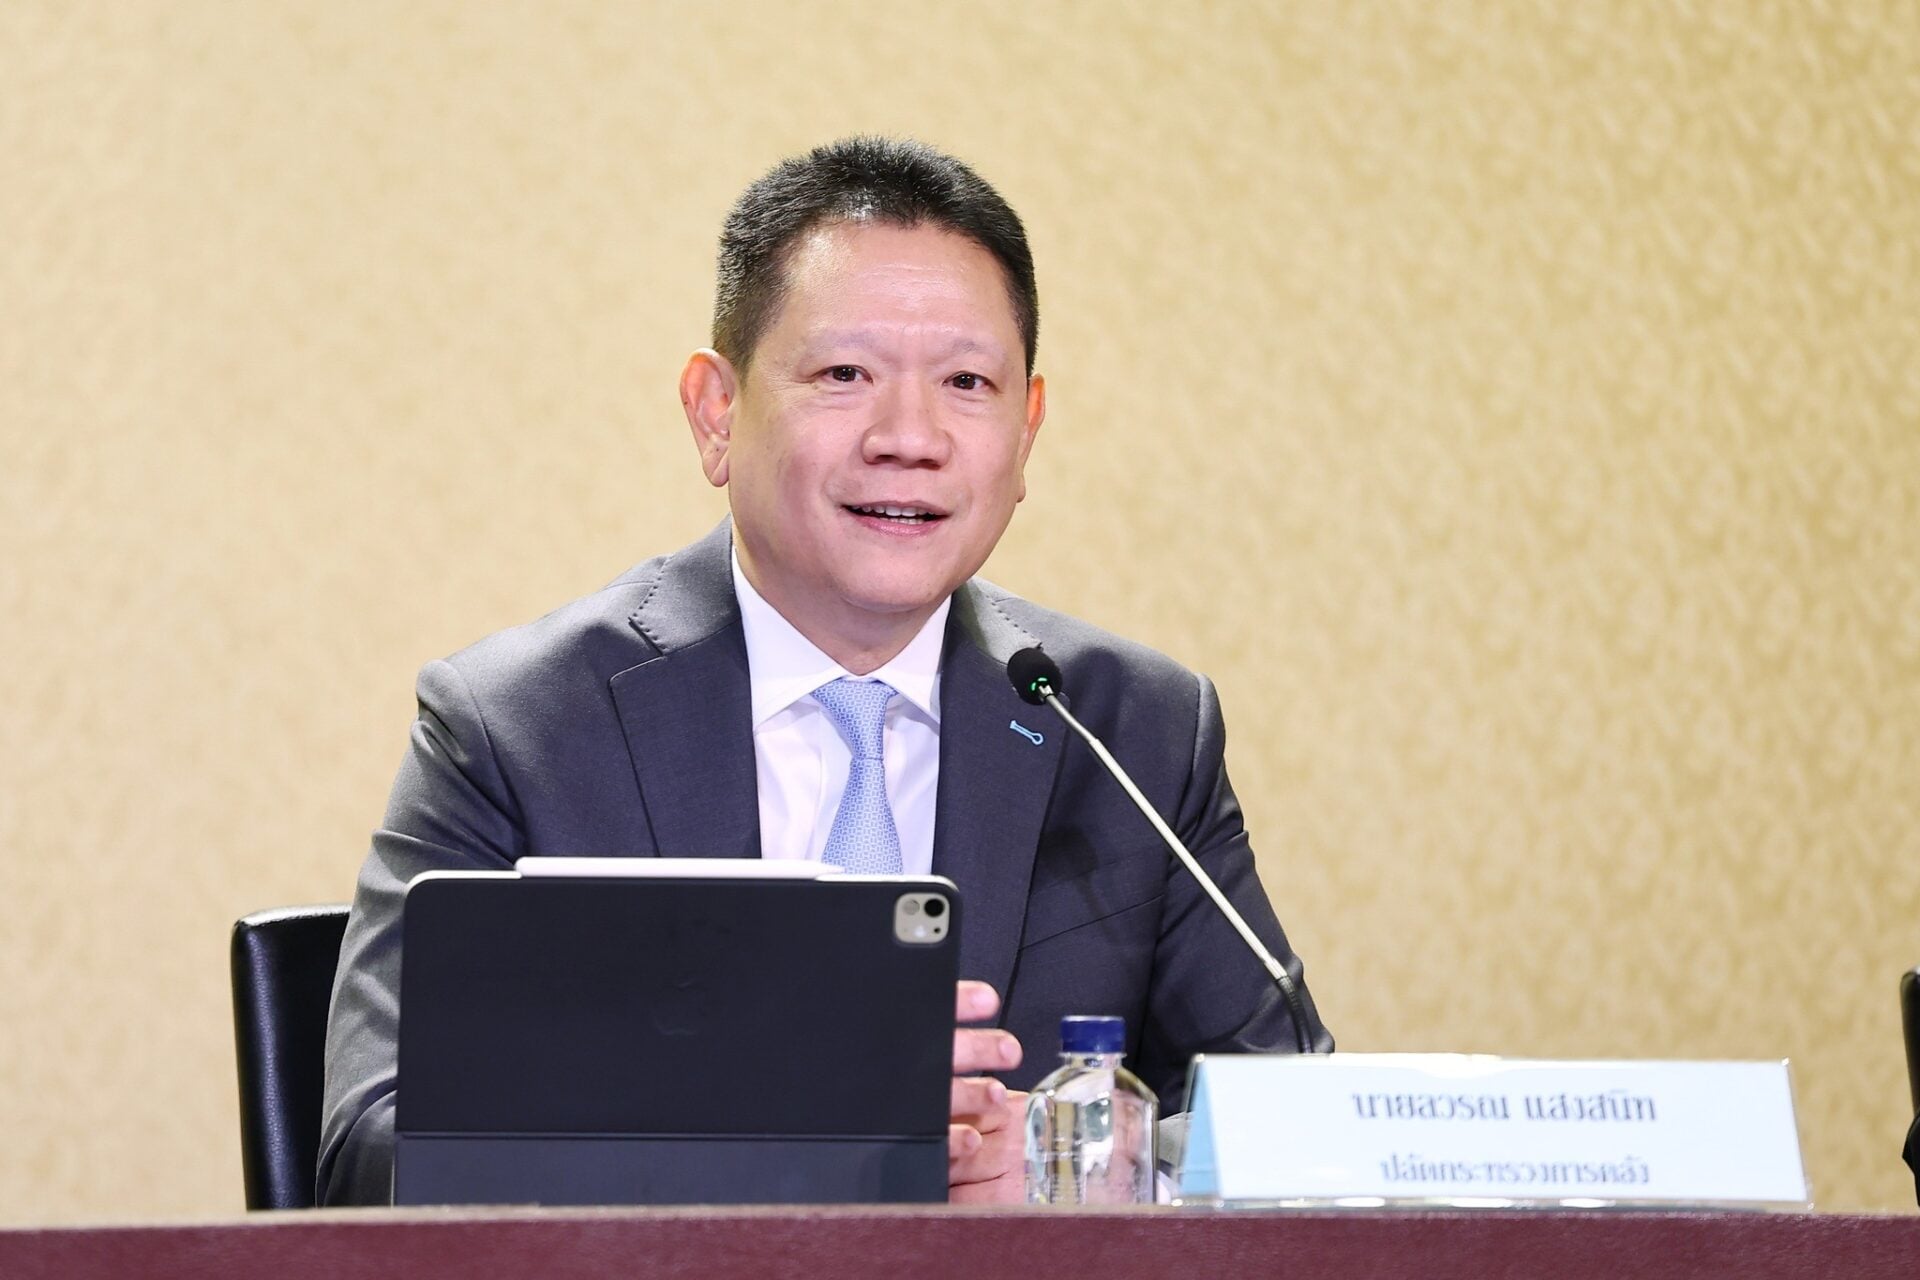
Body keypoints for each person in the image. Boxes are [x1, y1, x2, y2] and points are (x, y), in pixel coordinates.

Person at [318, 136, 1330, 1207]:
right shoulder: (519, 727)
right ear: (716, 411)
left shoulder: (1133, 729)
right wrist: (777, 1109)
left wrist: (1086, 1166)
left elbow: (1297, 1118)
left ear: (1027, 429)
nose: (910, 437)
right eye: (845, 374)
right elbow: (369, 1152)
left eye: (967, 382)